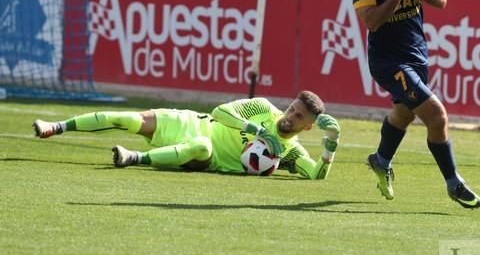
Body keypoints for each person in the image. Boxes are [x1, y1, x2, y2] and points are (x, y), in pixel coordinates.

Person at [349, 0, 480, 208]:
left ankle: (381, 160)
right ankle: (453, 183)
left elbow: (441, 0)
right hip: (387, 61)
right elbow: (371, 21)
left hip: (417, 56)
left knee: (404, 113)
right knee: (437, 116)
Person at [32, 91, 340, 180]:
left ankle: (134, 158)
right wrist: (257, 130)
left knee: (201, 146)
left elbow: (316, 175)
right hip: (194, 121)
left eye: (298, 117)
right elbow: (220, 112)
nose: (290, 117)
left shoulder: (291, 153)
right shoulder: (261, 108)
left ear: (308, 126)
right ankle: (55, 127)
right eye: (291, 109)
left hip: (205, 157)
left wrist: (331, 145)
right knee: (127, 119)